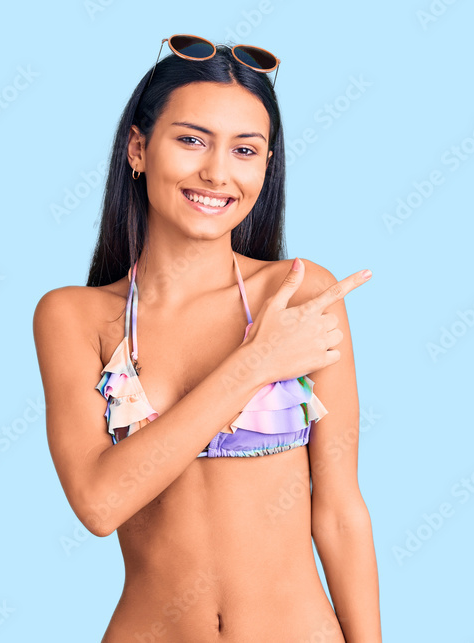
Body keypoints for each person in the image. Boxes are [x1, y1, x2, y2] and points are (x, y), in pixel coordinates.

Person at [32, 36, 380, 642]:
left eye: (245, 150)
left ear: (266, 167)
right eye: (192, 140)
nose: (218, 172)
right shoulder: (74, 317)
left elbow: (341, 512)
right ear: (139, 149)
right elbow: (99, 503)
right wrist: (255, 365)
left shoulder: (297, 293)